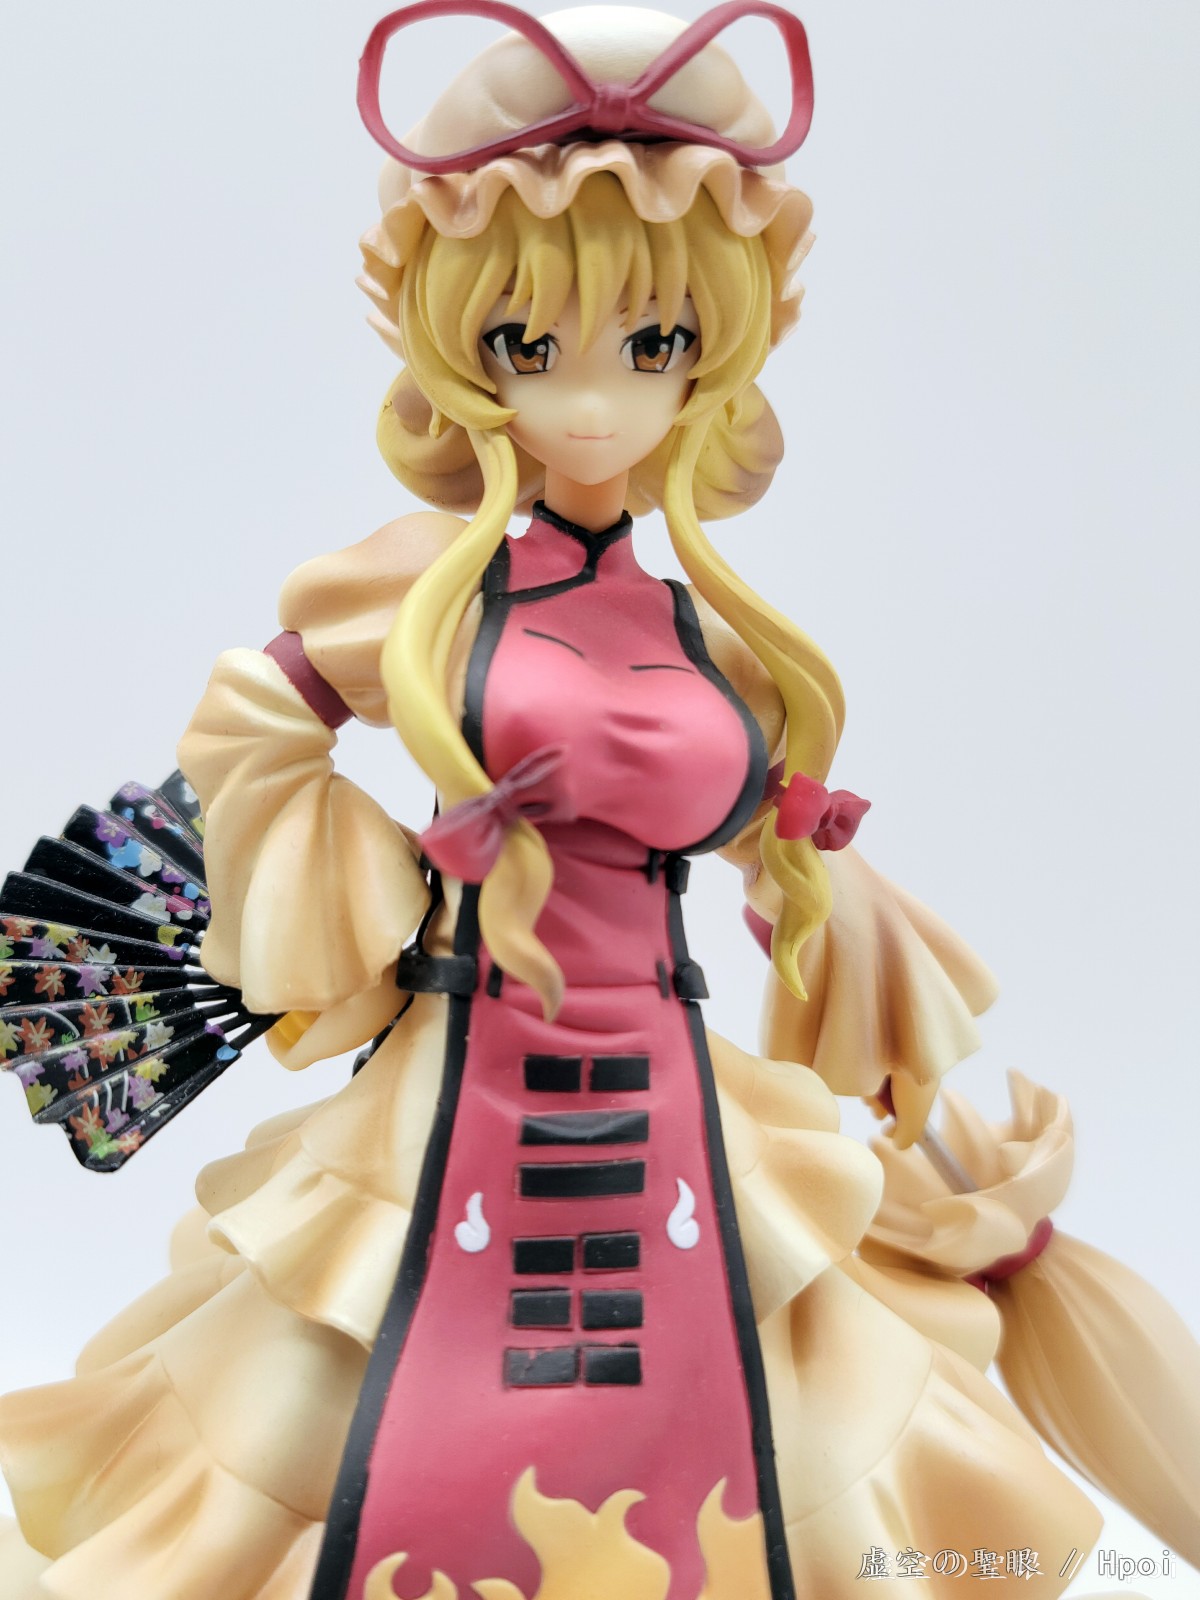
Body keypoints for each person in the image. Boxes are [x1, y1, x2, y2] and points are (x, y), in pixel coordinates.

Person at [0, 4, 1177, 1597]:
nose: (596, 401)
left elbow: (783, 846)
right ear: (461, 350)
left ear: (716, 354)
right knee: (362, 1390)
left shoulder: (715, 639)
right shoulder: (423, 587)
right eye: (529, 345)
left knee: (748, 1392)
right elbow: (255, 721)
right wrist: (370, 886)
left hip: (662, 1071)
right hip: (466, 1061)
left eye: (656, 343)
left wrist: (893, 1033)